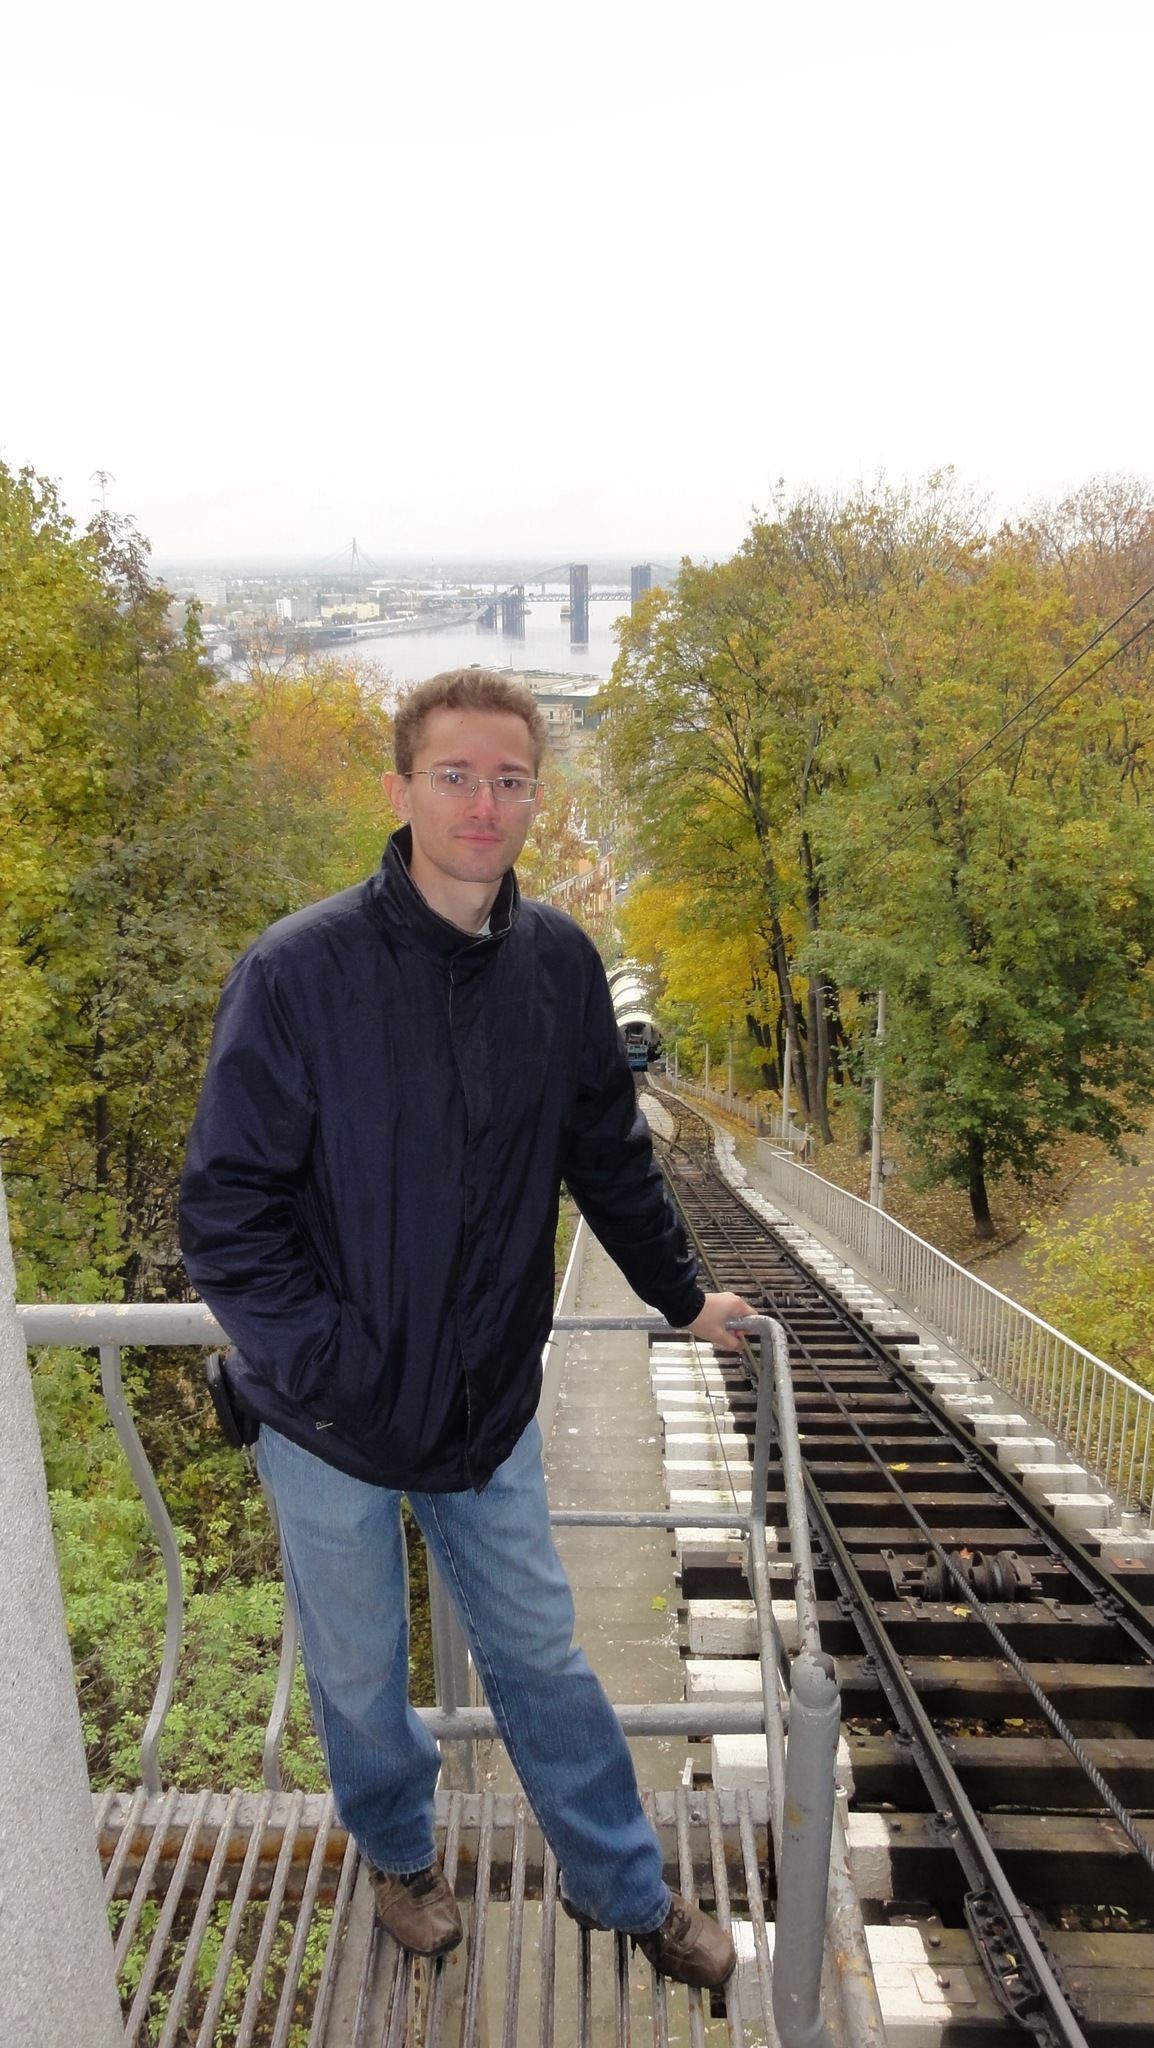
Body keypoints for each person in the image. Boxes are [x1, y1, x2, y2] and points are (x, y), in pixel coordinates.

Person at [180, 670, 754, 1986]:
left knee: (543, 1662)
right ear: (401, 790)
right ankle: (399, 1857)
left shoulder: (556, 966)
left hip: (486, 1410)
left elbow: (608, 1155)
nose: (483, 804)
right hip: (326, 1419)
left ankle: (622, 1890)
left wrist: (681, 1295)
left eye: (509, 779)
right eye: (455, 776)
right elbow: (225, 1210)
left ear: (534, 798)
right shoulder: (298, 972)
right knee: (361, 1677)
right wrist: (329, 1364)